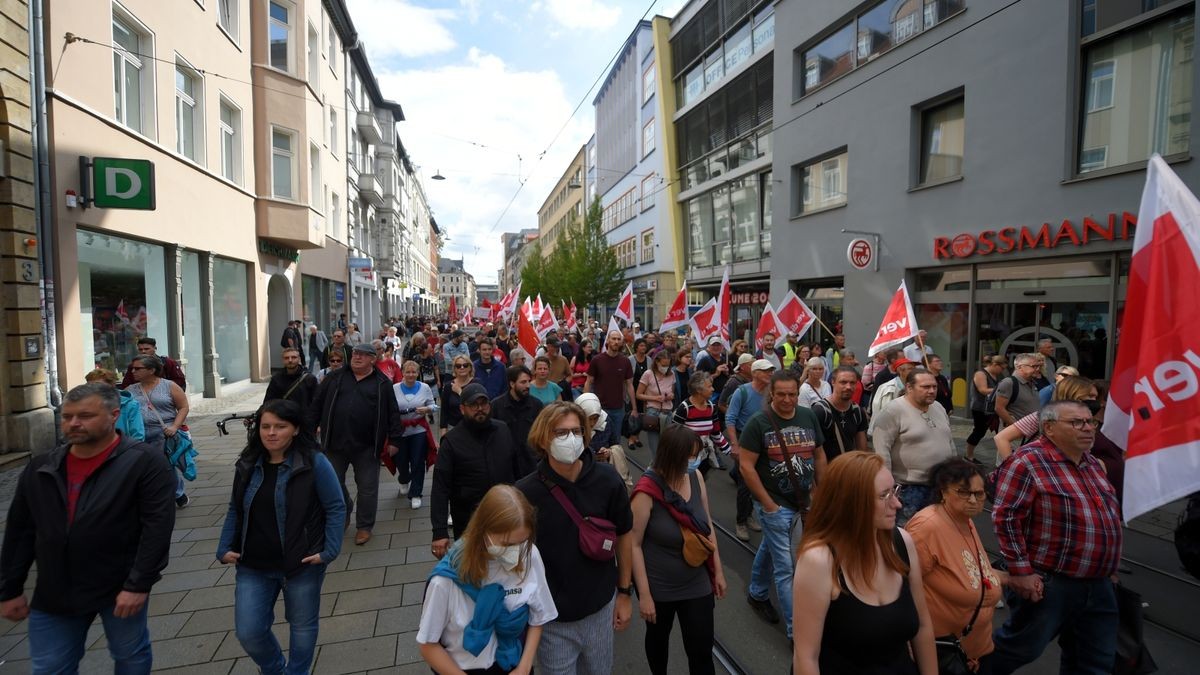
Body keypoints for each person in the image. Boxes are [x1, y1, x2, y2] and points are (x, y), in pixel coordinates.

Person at [0, 383, 176, 673]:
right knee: (50, 667)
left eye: (85, 415)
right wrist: (10, 587)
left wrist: (138, 584)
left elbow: (157, 528)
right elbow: (21, 530)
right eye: (67, 416)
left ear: (113, 415)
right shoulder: (43, 467)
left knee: (130, 655)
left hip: (118, 585)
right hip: (54, 589)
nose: (74, 423)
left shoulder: (143, 462)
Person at [990, 401, 1122, 675]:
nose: (1088, 429)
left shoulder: (1091, 463)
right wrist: (1022, 572)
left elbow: (1105, 515)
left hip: (1098, 584)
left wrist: (1109, 569)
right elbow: (1006, 518)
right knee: (1018, 648)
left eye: (1091, 422)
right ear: (1049, 427)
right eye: (1077, 423)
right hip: (1051, 582)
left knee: (1095, 661)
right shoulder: (1027, 461)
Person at [217, 399, 345, 675]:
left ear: (296, 430)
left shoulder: (314, 462)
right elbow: (234, 508)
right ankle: (275, 669)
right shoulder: (248, 463)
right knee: (249, 631)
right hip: (253, 563)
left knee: (302, 625)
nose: (271, 433)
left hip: (301, 562)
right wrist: (224, 546)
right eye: (265, 426)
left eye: (280, 426)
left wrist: (329, 550)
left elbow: (336, 506)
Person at [791, 451, 938, 675]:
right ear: (851, 503)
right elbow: (806, 657)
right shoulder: (819, 561)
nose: (897, 504)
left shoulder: (902, 543)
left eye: (895, 491)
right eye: (884, 495)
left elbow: (923, 626)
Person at [515, 402, 634, 674]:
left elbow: (625, 534)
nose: (570, 439)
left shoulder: (607, 480)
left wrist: (625, 593)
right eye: (560, 433)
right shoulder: (525, 493)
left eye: (577, 431)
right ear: (543, 439)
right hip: (552, 619)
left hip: (600, 609)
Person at [419, 485, 558, 674]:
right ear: (483, 531)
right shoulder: (445, 581)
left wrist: (525, 666)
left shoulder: (530, 555)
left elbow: (539, 615)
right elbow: (428, 645)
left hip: (513, 663)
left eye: (522, 542)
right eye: (508, 544)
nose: (517, 552)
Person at [630, 426, 727, 675]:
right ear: (671, 456)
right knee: (658, 643)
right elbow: (634, 545)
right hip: (660, 588)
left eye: (695, 455)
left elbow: (706, 526)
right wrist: (644, 595)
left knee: (701, 650)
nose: (693, 461)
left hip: (697, 582)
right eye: (688, 456)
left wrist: (717, 571)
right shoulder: (646, 492)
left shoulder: (695, 478)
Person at [738, 370, 824, 638]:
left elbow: (819, 455)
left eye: (792, 394)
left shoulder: (808, 416)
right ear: (771, 394)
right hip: (775, 504)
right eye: (782, 394)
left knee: (771, 549)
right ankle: (796, 633)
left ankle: (757, 593)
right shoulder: (758, 422)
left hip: (803, 501)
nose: (788, 400)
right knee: (787, 568)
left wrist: (823, 492)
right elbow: (746, 466)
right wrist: (768, 504)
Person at [906, 459, 1006, 675]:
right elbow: (901, 587)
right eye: (963, 492)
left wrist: (1015, 580)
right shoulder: (926, 528)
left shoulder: (965, 520)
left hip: (974, 652)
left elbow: (976, 573)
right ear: (943, 491)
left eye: (979, 494)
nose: (973, 500)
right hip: (943, 655)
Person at [309, 343, 407, 545]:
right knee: (332, 483)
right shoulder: (334, 378)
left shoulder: (382, 383)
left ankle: (364, 526)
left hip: (367, 446)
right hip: (334, 443)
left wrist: (395, 439)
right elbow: (316, 405)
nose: (357, 357)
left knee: (368, 488)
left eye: (363, 355)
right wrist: (309, 429)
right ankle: (343, 509)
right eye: (355, 354)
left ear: (373, 359)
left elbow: (392, 414)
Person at [430, 384, 527, 559]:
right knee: (473, 568)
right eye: (474, 405)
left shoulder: (503, 430)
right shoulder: (451, 441)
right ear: (462, 408)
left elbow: (517, 470)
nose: (480, 409)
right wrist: (439, 532)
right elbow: (440, 488)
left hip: (505, 514)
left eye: (484, 403)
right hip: (469, 519)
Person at [870, 369, 956, 526]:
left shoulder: (938, 407)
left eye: (934, 387)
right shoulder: (892, 411)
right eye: (925, 387)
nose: (931, 391)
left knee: (935, 532)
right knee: (907, 534)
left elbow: (949, 441)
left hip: (941, 485)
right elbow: (882, 452)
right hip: (909, 490)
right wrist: (887, 488)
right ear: (909, 387)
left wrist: (957, 472)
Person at [128, 354, 192, 508]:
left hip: (163, 433)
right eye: (132, 368)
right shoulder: (130, 389)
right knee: (145, 467)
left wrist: (175, 427)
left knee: (164, 466)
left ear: (151, 370)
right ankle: (164, 494)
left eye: (137, 368)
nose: (133, 372)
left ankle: (175, 493)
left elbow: (183, 407)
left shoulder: (169, 386)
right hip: (139, 434)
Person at [993, 375, 1098, 462]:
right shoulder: (1043, 416)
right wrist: (1013, 466)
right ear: (1073, 395)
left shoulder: (1090, 421)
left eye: (1096, 397)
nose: (1095, 401)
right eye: (1090, 396)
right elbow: (1001, 438)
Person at [725, 359, 775, 542]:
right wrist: (734, 444)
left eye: (771, 370)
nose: (770, 373)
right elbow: (730, 418)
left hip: (763, 441)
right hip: (744, 440)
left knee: (759, 481)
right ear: (755, 373)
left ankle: (749, 515)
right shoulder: (742, 392)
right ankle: (741, 521)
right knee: (745, 484)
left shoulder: (770, 393)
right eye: (765, 371)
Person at [394, 360, 438, 510]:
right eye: (408, 372)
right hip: (400, 431)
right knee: (401, 460)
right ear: (403, 373)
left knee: (418, 461)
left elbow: (434, 405)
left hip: (419, 429)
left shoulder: (425, 387)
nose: (411, 375)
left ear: (418, 373)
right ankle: (404, 478)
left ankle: (416, 494)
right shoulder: (394, 388)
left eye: (414, 372)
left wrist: (427, 409)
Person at [584, 330, 637, 450]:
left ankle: (613, 466)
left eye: (618, 339)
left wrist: (634, 408)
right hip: (599, 409)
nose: (616, 342)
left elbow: (629, 385)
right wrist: (585, 403)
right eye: (613, 339)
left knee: (615, 443)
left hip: (618, 409)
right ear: (608, 340)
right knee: (598, 442)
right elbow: (589, 382)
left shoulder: (625, 361)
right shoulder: (597, 360)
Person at [672, 372, 730, 476]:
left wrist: (728, 450)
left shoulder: (711, 407)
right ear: (698, 390)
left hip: (704, 455)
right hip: (687, 456)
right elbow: (674, 434)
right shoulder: (685, 408)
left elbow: (716, 432)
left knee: (699, 482)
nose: (713, 389)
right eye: (709, 386)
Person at [810, 366, 869, 470]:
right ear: (833, 382)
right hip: (828, 471)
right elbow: (814, 450)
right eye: (843, 382)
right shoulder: (820, 411)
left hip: (849, 471)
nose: (848, 387)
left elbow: (862, 450)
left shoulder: (857, 411)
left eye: (852, 383)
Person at [491, 365, 544, 476]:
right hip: (505, 466)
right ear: (512, 384)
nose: (528, 386)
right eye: (523, 382)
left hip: (530, 466)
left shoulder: (536, 405)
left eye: (529, 381)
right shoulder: (496, 406)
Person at [636, 349, 677, 460]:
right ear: (657, 362)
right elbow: (638, 394)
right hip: (653, 412)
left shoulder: (672, 374)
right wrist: (655, 398)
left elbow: (672, 392)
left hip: (667, 412)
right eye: (663, 365)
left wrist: (671, 396)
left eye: (668, 365)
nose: (665, 367)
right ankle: (655, 470)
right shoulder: (648, 374)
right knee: (655, 448)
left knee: (667, 446)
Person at [85, 368, 145, 440]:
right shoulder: (85, 405)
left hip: (124, 448)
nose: (95, 389)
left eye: (99, 385)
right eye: (91, 386)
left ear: (111, 385)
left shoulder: (130, 405)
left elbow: (138, 435)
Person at [965, 355, 1006, 462]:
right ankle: (969, 455)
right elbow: (983, 390)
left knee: (1000, 432)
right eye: (1002, 368)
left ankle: (1003, 457)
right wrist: (1002, 390)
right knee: (979, 431)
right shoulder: (980, 374)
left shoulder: (996, 375)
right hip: (980, 408)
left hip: (992, 408)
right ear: (995, 364)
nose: (1002, 370)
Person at [263, 348, 318, 416]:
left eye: (293, 357)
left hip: (303, 419)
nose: (290, 360)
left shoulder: (310, 379)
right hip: (283, 418)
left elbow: (316, 403)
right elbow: (268, 402)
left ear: (299, 359)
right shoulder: (276, 379)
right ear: (283, 360)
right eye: (286, 358)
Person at [992, 353, 1042, 428]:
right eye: (1034, 366)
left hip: (1031, 434)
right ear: (1020, 367)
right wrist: (1018, 427)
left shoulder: (1032, 382)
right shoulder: (1008, 382)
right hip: (1016, 437)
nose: (1038, 369)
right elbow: (999, 408)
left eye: (1038, 366)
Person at [119, 337, 187, 391]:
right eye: (140, 349)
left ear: (155, 348)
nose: (143, 351)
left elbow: (180, 381)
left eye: (146, 349)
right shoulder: (133, 366)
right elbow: (126, 385)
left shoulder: (168, 363)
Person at [870, 356, 917, 420]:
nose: (915, 371)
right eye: (911, 368)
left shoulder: (915, 385)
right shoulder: (888, 388)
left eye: (915, 368)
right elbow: (887, 414)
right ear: (900, 370)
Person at [440, 355, 475, 437]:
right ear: (454, 369)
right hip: (453, 428)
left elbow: (473, 404)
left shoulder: (476, 383)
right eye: (458, 366)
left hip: (473, 427)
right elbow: (444, 410)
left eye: (465, 365)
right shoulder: (449, 386)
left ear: (470, 367)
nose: (462, 367)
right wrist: (443, 431)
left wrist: (459, 391)